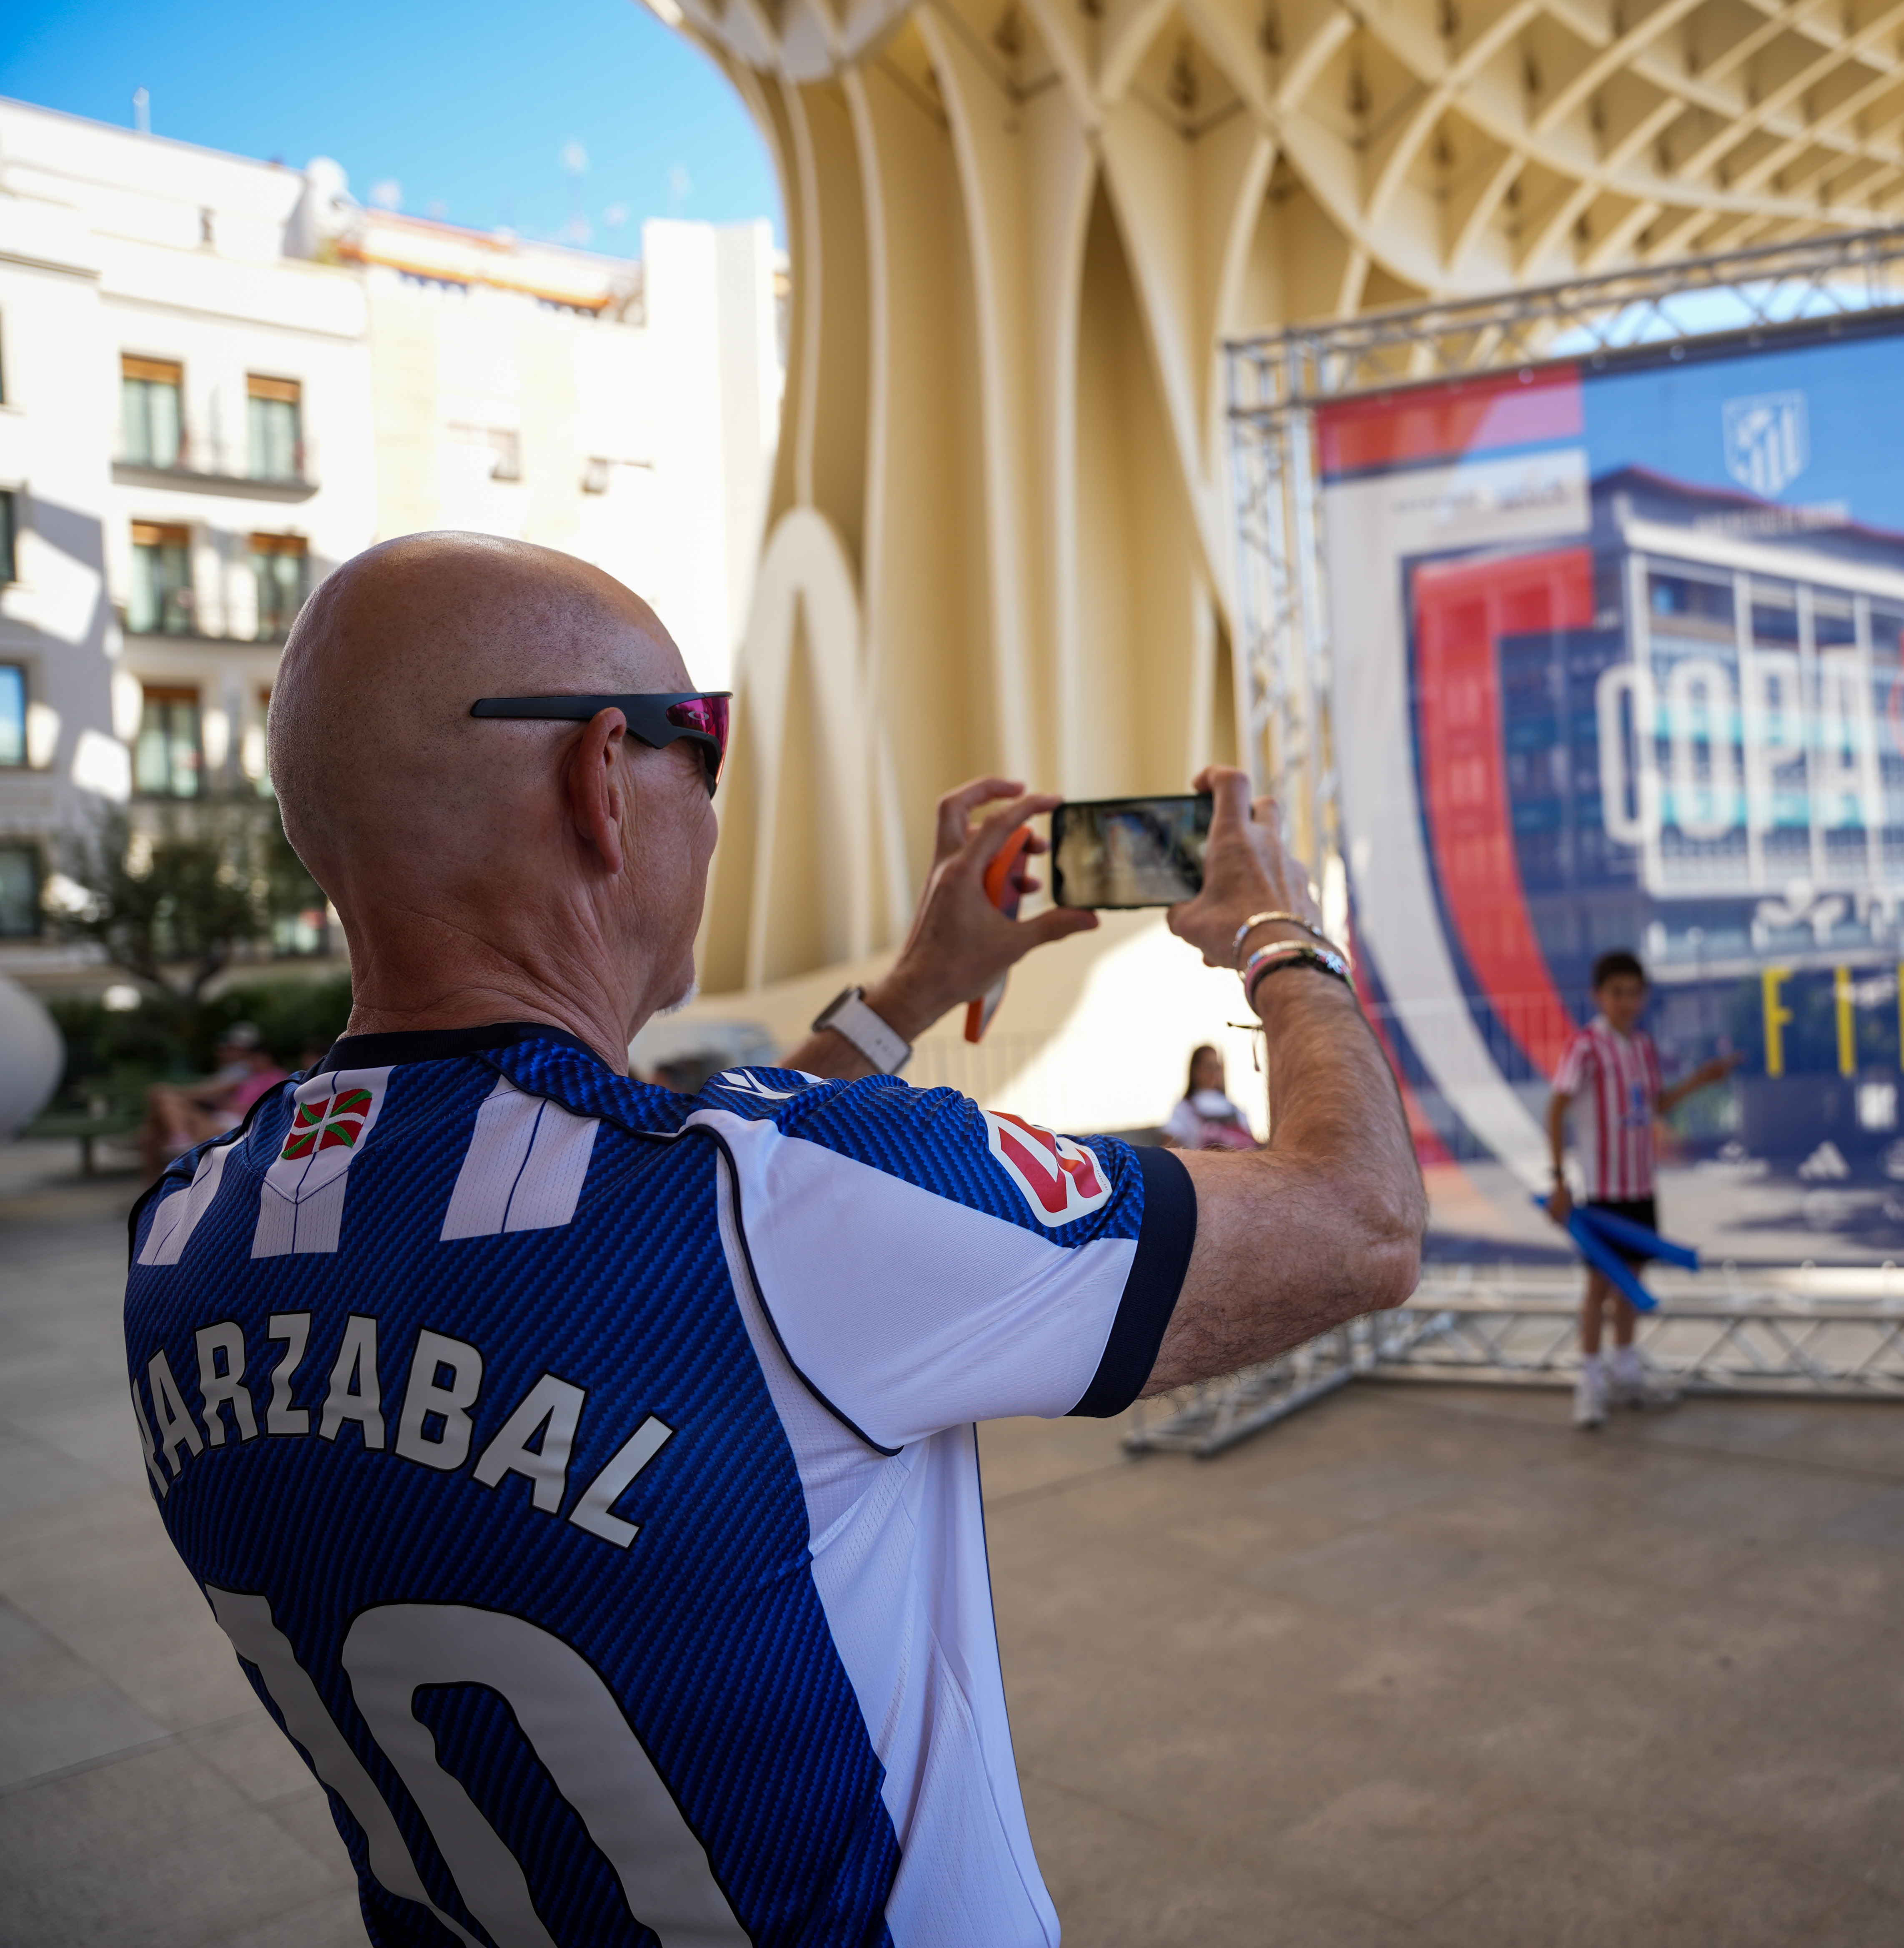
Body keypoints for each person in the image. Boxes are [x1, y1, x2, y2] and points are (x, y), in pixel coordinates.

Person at [122, 532, 1423, 1945]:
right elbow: (1354, 1223)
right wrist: (1280, 934)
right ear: (599, 782)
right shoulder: (779, 1199)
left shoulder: (184, 1241)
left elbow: (692, 1207)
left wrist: (917, 985)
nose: (716, 795)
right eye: (706, 743)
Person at [1545, 950, 1734, 1428]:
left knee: (1631, 1286)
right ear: (1599, 996)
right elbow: (1557, 1109)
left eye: (1634, 993)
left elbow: (1657, 1103)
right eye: (1617, 993)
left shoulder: (1643, 1047)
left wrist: (1702, 1079)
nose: (1626, 1002)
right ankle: (1589, 1386)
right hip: (1604, 1193)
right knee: (1597, 1289)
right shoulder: (1587, 1046)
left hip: (1641, 1188)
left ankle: (1626, 1374)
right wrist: (1559, 1181)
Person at [139, 1021, 288, 1181]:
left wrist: (231, 1105)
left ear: (268, 1057)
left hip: (235, 1127)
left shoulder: (275, 1077)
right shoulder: (248, 1076)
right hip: (219, 1118)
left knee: (164, 1099)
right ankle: (174, 1144)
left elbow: (270, 1110)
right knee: (150, 1134)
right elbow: (217, 1094)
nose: (251, 1060)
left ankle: (180, 1139)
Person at [1163, 1042, 1260, 1150]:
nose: (1213, 1072)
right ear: (1195, 1070)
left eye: (1217, 1067)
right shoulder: (1184, 1107)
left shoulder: (1235, 1109)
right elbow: (1171, 1145)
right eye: (1208, 1066)